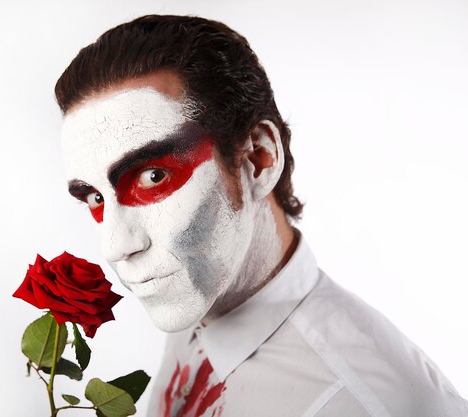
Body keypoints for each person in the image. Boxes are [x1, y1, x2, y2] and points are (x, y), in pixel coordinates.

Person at [54, 14, 468, 417]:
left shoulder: (369, 403)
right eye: (94, 198)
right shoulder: (200, 292)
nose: (116, 245)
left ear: (259, 158)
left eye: (153, 175)